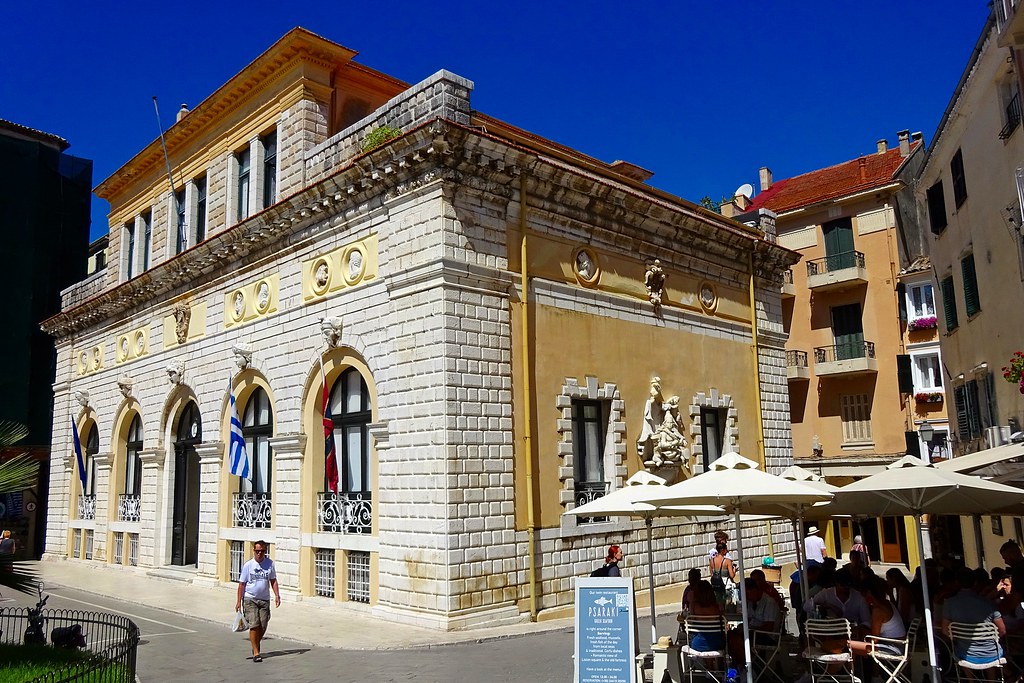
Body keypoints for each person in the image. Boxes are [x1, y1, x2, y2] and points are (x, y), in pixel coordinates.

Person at [941, 565, 1005, 666]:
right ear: (975, 582)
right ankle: (991, 679)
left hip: (965, 654)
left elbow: (945, 631)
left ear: (957, 583)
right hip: (992, 654)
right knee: (992, 651)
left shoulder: (949, 603)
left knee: (960, 650)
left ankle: (970, 680)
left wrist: (962, 638)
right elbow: (1002, 630)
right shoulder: (988, 603)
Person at [235, 540, 281, 662]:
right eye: (257, 551)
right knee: (254, 625)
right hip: (250, 599)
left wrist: (277, 595)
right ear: (254, 551)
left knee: (263, 625)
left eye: (262, 551)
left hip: (264, 599)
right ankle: (256, 652)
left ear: (265, 552)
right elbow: (241, 584)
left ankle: (255, 643)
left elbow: (273, 581)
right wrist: (238, 602)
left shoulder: (270, 564)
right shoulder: (248, 566)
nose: (259, 553)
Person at [806, 568, 871, 639]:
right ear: (836, 583)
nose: (846, 587)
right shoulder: (826, 594)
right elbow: (806, 606)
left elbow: (867, 621)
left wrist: (858, 629)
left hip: (853, 635)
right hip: (829, 635)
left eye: (848, 585)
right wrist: (826, 606)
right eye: (843, 585)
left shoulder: (859, 597)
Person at [728, 578, 781, 665]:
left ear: (754, 590)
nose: (746, 596)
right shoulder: (750, 602)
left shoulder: (769, 602)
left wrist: (752, 629)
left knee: (736, 640)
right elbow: (749, 618)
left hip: (767, 636)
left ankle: (745, 667)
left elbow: (769, 627)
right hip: (753, 632)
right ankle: (742, 665)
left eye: (747, 593)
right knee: (730, 635)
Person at [849, 578, 906, 657]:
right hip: (898, 643)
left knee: (848, 645)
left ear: (869, 593)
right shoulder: (886, 603)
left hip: (893, 647)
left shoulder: (878, 610)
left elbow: (874, 639)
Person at [678, 579, 726, 653]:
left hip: (698, 644)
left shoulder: (695, 606)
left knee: (682, 636)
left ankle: (706, 664)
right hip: (718, 643)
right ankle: (713, 664)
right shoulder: (716, 607)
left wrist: (691, 602)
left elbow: (691, 622)